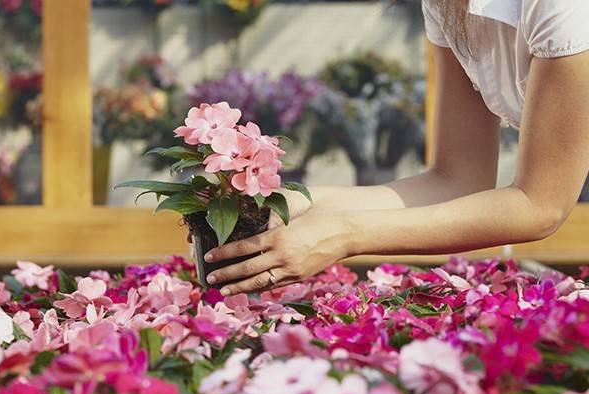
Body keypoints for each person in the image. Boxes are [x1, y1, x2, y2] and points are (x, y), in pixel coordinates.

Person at [203, 0, 589, 296]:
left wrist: (344, 234)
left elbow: (540, 205)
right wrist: (298, 204)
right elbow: (456, 179)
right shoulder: (448, 7)